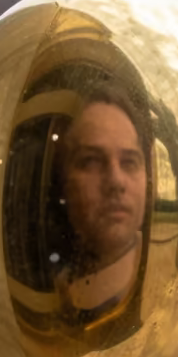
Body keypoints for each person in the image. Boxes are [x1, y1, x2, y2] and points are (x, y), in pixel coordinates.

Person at [54, 89, 148, 321]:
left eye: (129, 162)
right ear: (62, 181)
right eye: (92, 161)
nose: (116, 181)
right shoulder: (50, 295)